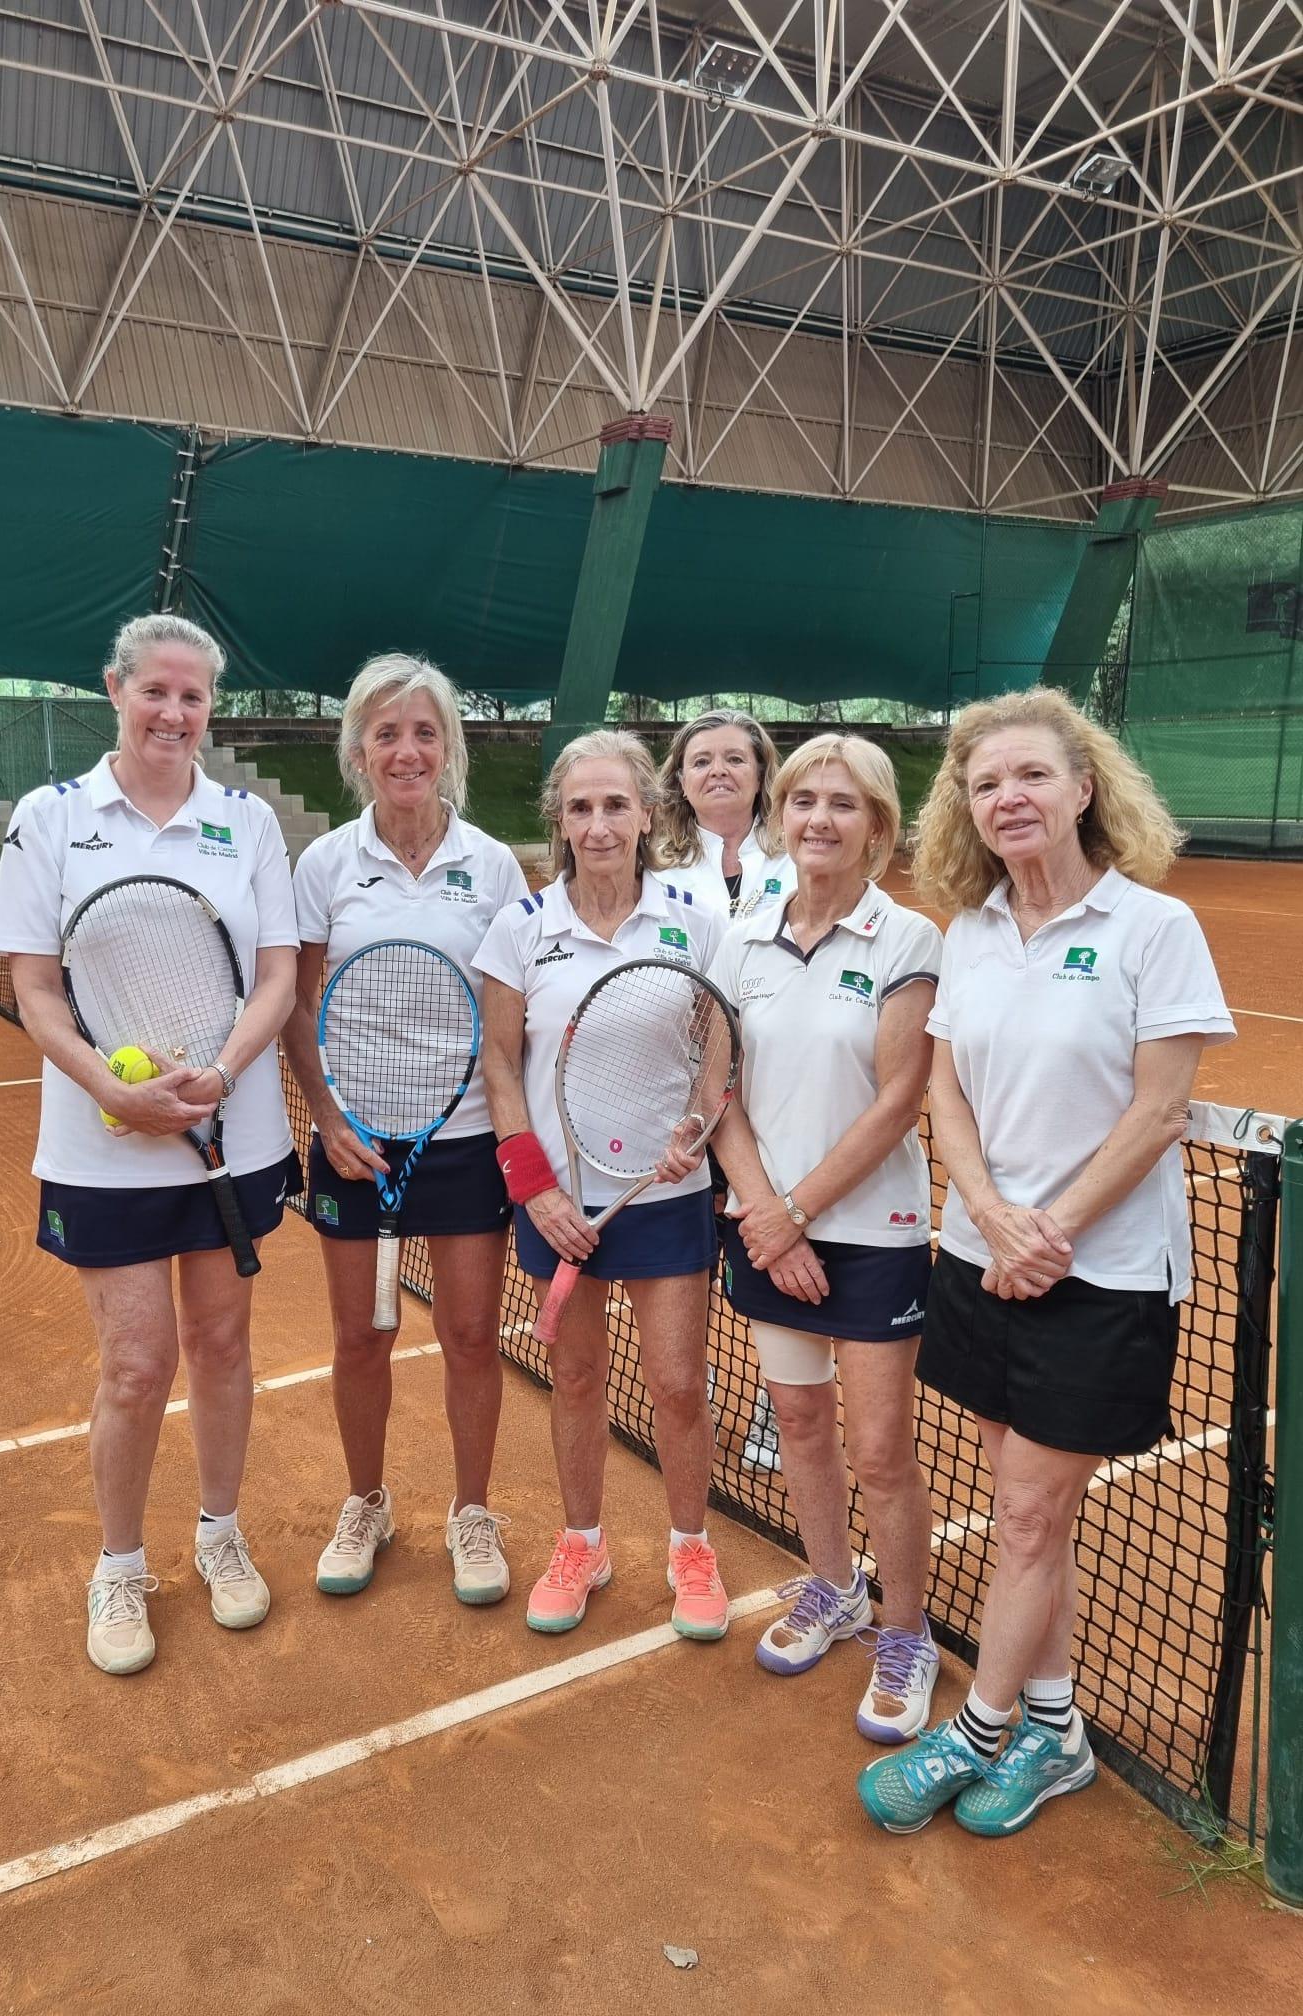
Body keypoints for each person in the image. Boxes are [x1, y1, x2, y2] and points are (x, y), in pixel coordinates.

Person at [858, 686, 1234, 1837]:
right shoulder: (968, 934)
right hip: (978, 1262)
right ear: (964, 811)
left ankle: (977, 1730)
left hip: (1102, 1278)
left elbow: (1161, 1109)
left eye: (1030, 776)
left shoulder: (1153, 929)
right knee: (1036, 1521)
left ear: (1084, 789)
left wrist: (1050, 1228)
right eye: (985, 784)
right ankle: (1058, 1730)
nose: (1007, 798)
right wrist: (987, 1214)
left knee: (1025, 1516)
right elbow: (949, 1095)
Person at [0, 614, 301, 1677]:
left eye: (193, 697)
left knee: (220, 1344)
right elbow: (33, 987)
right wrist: (114, 1092)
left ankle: (219, 1533)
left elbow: (276, 978)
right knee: (135, 1362)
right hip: (102, 1146)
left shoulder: (247, 822)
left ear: (210, 708)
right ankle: (120, 1563)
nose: (173, 712)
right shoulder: (53, 818)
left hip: (232, 1131)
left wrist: (216, 1077)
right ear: (114, 689)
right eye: (154, 691)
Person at [708, 734, 941, 1741]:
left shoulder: (908, 941)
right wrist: (766, 1217)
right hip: (764, 1226)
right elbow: (719, 1092)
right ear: (782, 812)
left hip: (872, 1234)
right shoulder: (740, 936)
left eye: (844, 804)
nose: (818, 819)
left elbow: (899, 1100)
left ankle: (906, 1632)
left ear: (877, 825)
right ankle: (834, 1586)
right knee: (799, 1425)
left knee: (882, 1450)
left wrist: (793, 1214)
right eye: (804, 799)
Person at [476, 729, 731, 1639]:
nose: (598, 824)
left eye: (615, 804)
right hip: (559, 1199)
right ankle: (583, 1540)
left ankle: (690, 1545)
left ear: (648, 816)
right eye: (580, 807)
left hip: (664, 1195)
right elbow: (500, 1068)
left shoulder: (696, 923)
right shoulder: (521, 927)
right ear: (560, 819)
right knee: (576, 1375)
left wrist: (696, 1128)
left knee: (676, 1385)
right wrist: (534, 1188)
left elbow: (718, 1050)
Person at [285, 655, 528, 1607]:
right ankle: (367, 1503)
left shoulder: (495, 867)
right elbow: (299, 1005)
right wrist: (330, 1118)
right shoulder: (325, 865)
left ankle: (473, 1513)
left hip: (463, 1137)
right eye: (386, 733)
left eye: (424, 732)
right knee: (359, 1338)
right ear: (358, 751)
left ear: (449, 749)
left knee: (471, 1336)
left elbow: (508, 1015)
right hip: (356, 1142)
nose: (407, 750)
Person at [655, 708, 797, 925]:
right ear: (682, 783)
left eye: (735, 759)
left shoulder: (795, 858)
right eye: (701, 762)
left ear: (760, 776)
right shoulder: (657, 869)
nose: (718, 771)